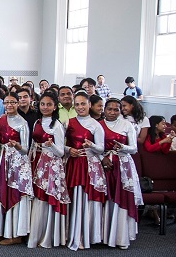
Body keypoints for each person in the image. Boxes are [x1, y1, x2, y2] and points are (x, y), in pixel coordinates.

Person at [65, 92, 106, 251]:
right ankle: (72, 234)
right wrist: (69, 150)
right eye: (77, 104)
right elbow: (61, 144)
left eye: (83, 104)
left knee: (87, 200)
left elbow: (101, 148)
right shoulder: (68, 123)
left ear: (89, 105)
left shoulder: (96, 125)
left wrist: (91, 145)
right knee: (75, 198)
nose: (80, 107)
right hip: (74, 164)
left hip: (90, 165)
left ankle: (86, 235)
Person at [28, 92, 70, 249]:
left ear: (55, 107)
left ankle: (46, 236)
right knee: (37, 198)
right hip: (37, 161)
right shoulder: (37, 122)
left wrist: (50, 145)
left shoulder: (57, 126)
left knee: (45, 198)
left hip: (50, 164)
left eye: (49, 104)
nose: (45, 107)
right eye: (43, 104)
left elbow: (60, 152)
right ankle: (35, 234)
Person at [100, 98, 142, 249]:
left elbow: (134, 148)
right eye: (109, 109)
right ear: (104, 110)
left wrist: (122, 147)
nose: (112, 112)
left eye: (116, 109)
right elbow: (94, 147)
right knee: (106, 199)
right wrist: (102, 158)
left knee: (122, 198)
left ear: (120, 111)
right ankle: (104, 235)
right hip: (105, 165)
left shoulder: (127, 125)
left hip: (123, 165)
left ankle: (120, 237)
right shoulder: (98, 125)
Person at [0, 93, 33, 245]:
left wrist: (16, 146)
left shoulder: (22, 123)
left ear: (18, 103)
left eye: (12, 102)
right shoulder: (0, 120)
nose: (9, 105)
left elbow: (25, 149)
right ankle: (3, 230)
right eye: (6, 102)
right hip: (3, 159)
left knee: (15, 193)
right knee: (3, 192)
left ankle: (16, 233)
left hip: (18, 161)